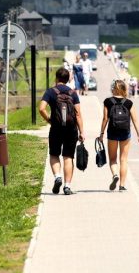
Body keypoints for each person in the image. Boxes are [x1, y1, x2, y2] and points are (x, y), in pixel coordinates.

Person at [38, 67, 85, 195]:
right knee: (68, 157)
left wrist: (49, 120)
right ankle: (67, 186)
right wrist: (82, 132)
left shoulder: (50, 92)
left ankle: (57, 176)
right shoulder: (73, 93)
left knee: (54, 154)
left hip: (56, 128)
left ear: (57, 78)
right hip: (71, 129)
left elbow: (41, 108)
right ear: (68, 79)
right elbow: (78, 114)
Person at [97, 79, 139, 192]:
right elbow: (135, 120)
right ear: (124, 89)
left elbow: (105, 119)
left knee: (113, 159)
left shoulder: (108, 101)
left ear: (114, 88)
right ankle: (122, 185)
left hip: (112, 132)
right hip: (125, 133)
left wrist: (101, 134)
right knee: (123, 159)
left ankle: (115, 175)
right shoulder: (129, 103)